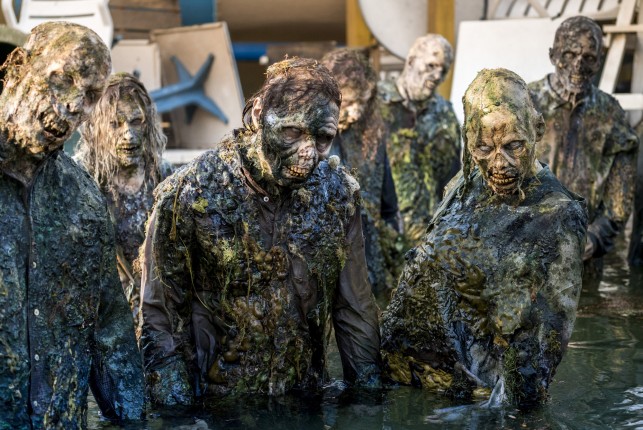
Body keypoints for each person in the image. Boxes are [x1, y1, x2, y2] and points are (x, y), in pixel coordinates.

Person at [139, 57, 381, 405]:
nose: (308, 153)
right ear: (257, 115)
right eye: (292, 132)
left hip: (303, 400)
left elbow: (354, 308)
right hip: (216, 405)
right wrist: (176, 414)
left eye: (323, 138)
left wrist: (369, 404)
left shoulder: (338, 196)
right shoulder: (190, 193)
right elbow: (160, 315)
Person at [381, 69, 587, 408]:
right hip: (407, 380)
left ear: (536, 130)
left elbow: (542, 346)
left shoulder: (559, 213)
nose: (498, 163)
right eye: (483, 147)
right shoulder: (464, 183)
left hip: (474, 400)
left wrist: (515, 414)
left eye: (513, 146)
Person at [0, 22, 144, 428]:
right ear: (18, 67)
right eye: (62, 80)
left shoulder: (84, 200)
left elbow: (111, 336)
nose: (73, 105)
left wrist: (134, 421)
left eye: (91, 95)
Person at [528, 16, 638, 281]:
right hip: (525, 256)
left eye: (588, 57)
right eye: (569, 54)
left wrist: (595, 237)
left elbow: (619, 199)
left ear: (598, 62)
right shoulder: (525, 103)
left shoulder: (611, 114)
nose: (578, 65)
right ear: (553, 55)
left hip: (584, 262)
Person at [75, 72, 173, 318]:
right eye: (115, 124)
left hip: (157, 315)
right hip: (103, 316)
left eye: (136, 121)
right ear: (95, 127)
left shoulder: (165, 177)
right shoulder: (79, 180)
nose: (128, 134)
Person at [320, 48, 403, 297]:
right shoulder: (309, 142)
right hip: (326, 269)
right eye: (348, 103)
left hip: (369, 266)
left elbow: (388, 207)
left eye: (363, 103)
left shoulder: (372, 135)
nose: (356, 113)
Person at [378, 34, 461, 246]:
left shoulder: (444, 114)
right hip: (383, 235)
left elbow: (454, 181)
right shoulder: (376, 104)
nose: (437, 75)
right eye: (431, 65)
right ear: (411, 61)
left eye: (443, 70)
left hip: (431, 238)